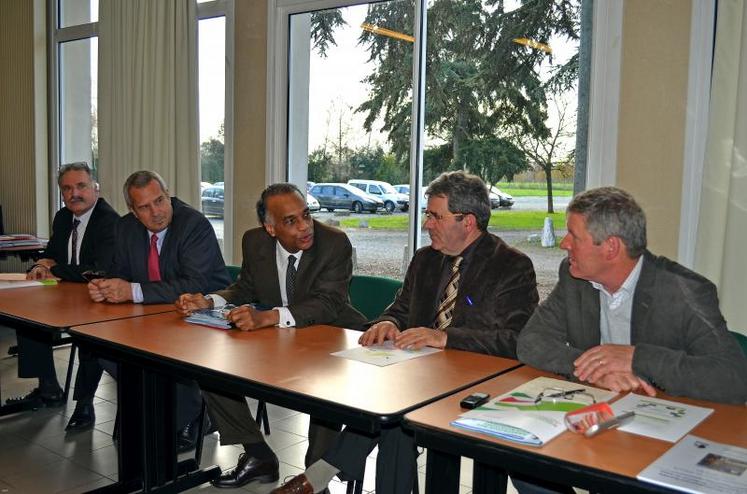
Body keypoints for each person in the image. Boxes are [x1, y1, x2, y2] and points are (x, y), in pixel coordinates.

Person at [271, 171, 539, 494]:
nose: (426, 224)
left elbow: (515, 341)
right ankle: (320, 475)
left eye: (434, 216)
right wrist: (388, 322)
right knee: (390, 413)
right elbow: (399, 308)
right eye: (427, 215)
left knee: (394, 418)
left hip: (478, 384)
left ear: (467, 222)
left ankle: (319, 475)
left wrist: (445, 338)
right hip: (418, 378)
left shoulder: (511, 266)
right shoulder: (426, 259)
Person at [514, 186, 747, 494]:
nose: (563, 243)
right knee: (526, 466)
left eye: (574, 236)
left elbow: (732, 379)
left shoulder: (684, 291)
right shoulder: (574, 277)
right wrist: (597, 367)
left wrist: (636, 359)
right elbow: (531, 341)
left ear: (610, 247)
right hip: (603, 421)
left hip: (662, 433)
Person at [176, 182, 367, 489]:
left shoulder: (334, 243)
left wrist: (268, 316)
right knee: (209, 371)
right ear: (270, 228)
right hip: (280, 340)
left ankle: (313, 479)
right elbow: (246, 289)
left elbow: (328, 303)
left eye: (306, 215)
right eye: (291, 221)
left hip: (331, 334)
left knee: (327, 392)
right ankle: (258, 455)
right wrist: (211, 300)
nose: (305, 227)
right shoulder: (254, 242)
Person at [65, 170, 231, 448]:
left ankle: (196, 415)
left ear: (169, 196)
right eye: (144, 206)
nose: (156, 212)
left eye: (160, 200)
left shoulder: (193, 224)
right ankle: (155, 407)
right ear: (132, 210)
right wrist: (105, 287)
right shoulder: (126, 227)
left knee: (171, 350)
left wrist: (131, 291)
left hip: (203, 311)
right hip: (155, 313)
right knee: (107, 349)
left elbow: (194, 284)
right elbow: (120, 273)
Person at [8, 162, 119, 408]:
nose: (74, 194)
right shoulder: (62, 217)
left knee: (90, 337)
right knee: (28, 317)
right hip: (66, 293)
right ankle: (48, 388)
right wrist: (39, 266)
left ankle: (84, 403)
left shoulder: (108, 221)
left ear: (95, 188)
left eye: (81, 186)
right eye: (67, 189)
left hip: (97, 297)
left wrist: (54, 269)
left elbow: (97, 270)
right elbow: (51, 254)